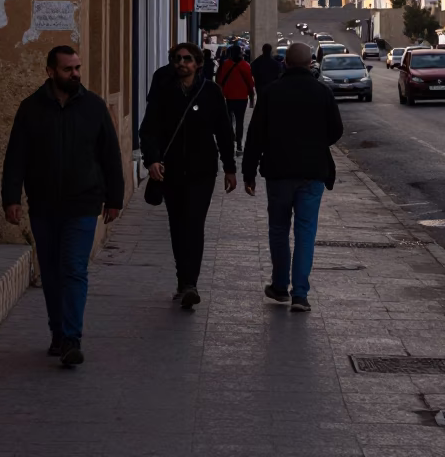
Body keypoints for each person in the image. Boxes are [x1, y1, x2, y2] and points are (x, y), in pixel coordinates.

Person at [1, 45, 124, 367]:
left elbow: (110, 155)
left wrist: (114, 199)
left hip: (83, 204)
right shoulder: (31, 109)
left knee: (73, 270)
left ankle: (72, 337)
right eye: (68, 69)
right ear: (50, 71)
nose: (76, 74)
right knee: (53, 273)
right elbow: (16, 157)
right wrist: (11, 198)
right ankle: (57, 332)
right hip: (43, 205)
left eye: (78, 68)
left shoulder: (94, 107)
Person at [243, 41, 342, 313]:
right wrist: (314, 142)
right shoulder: (322, 92)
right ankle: (300, 294)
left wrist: (248, 172)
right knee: (305, 232)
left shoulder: (271, 92)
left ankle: (279, 286)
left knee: (278, 229)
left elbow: (255, 136)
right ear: (311, 64)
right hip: (313, 172)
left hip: (278, 172)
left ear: (285, 63)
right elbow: (336, 131)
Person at [139, 42, 237, 309]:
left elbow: (224, 132)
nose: (182, 63)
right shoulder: (164, 91)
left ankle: (190, 284)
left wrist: (230, 168)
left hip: (202, 171)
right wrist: (152, 160)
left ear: (197, 64)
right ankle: (183, 281)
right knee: (178, 225)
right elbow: (149, 129)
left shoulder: (211, 92)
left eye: (187, 59)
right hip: (170, 171)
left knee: (194, 224)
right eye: (177, 59)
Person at [216, 43, 255, 154]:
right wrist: (251, 96)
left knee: (229, 121)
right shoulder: (245, 65)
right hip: (242, 97)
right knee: (240, 121)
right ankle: (239, 146)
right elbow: (250, 83)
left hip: (228, 96)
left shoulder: (225, 64)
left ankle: (230, 140)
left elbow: (220, 80)